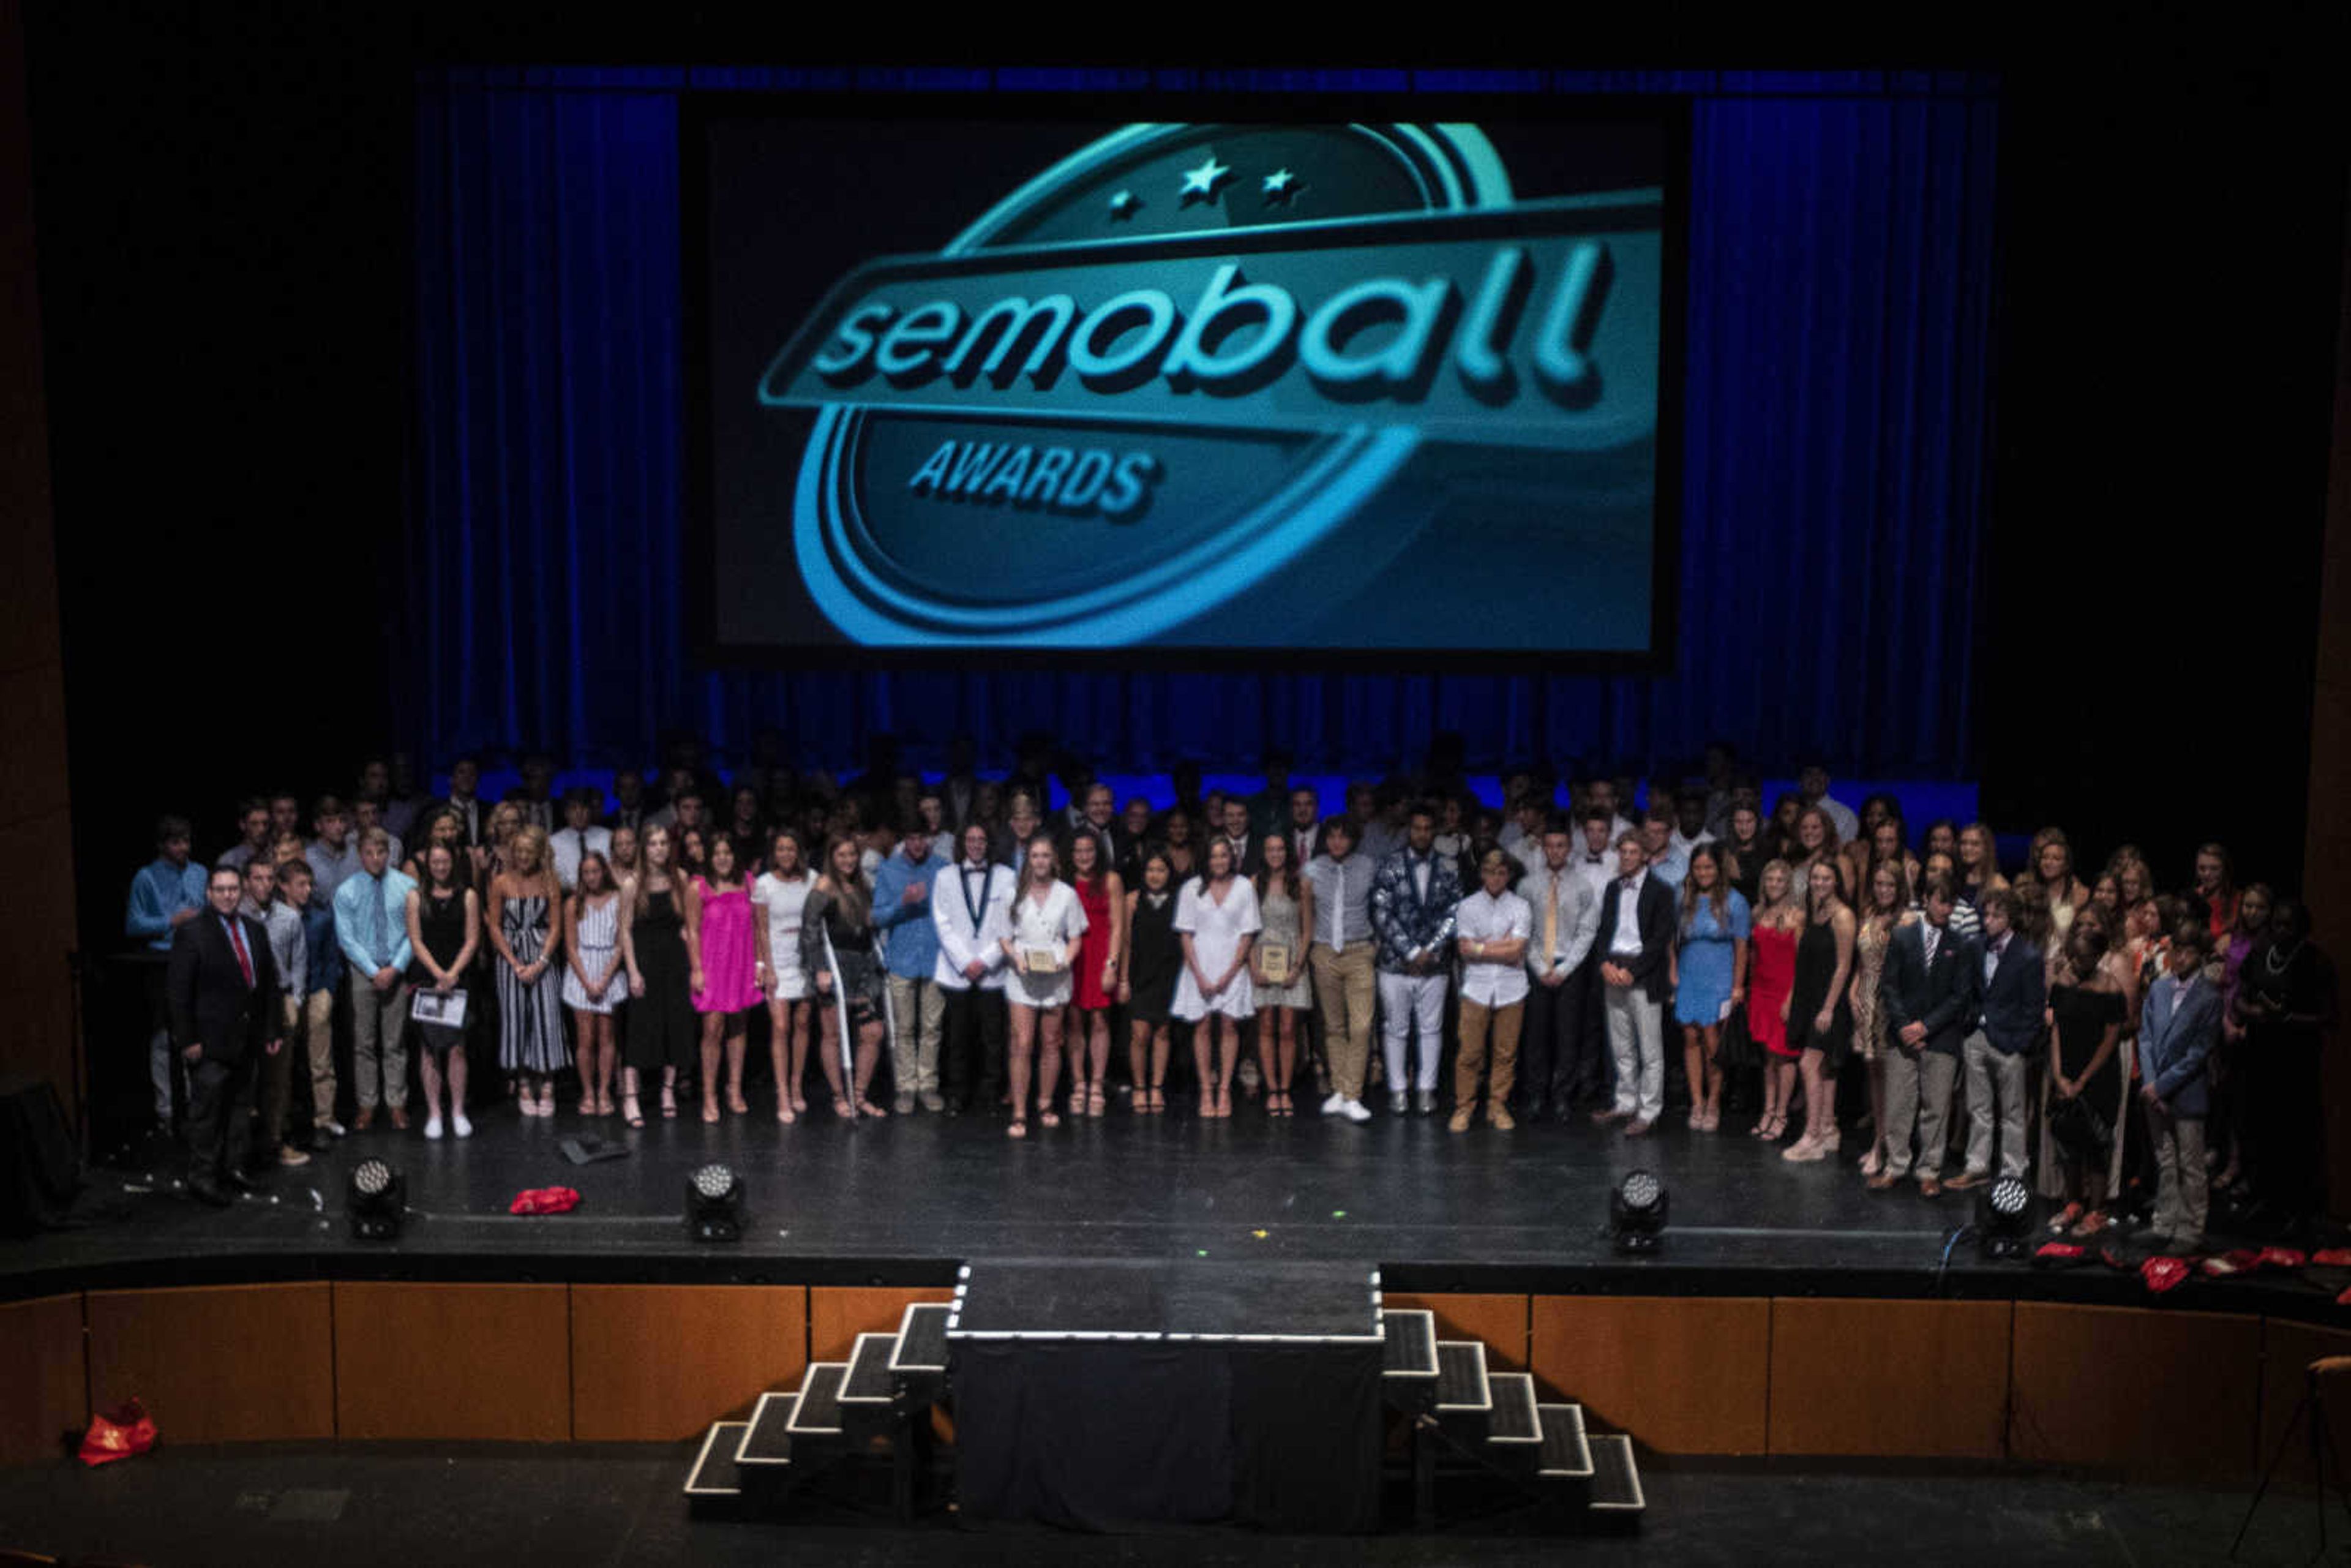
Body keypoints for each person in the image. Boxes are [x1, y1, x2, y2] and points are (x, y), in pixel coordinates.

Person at [168, 865, 285, 1204]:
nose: (228, 895)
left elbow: (268, 986)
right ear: (209, 893)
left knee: (239, 1109)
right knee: (207, 1113)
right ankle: (202, 1177)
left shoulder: (253, 929)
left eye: (233, 889)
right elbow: (178, 993)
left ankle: (234, 1168)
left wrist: (272, 1028)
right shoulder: (193, 933)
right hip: (208, 1041)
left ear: (242, 891)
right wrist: (187, 1039)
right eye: (220, 889)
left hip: (245, 1040)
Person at [2233, 901, 2337, 1232]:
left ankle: (2299, 1206)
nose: (2280, 932)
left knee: (2295, 1133)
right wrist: (2251, 1011)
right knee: (2260, 1127)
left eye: (2288, 926)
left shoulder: (2315, 962)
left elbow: (2329, 1016)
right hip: (2260, 1056)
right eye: (2276, 924)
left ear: (2301, 929)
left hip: (2296, 1061)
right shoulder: (2262, 952)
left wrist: (2288, 1018)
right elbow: (2240, 995)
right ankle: (2266, 1197)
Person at [1870, 876, 1971, 1193]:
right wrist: (1905, 1026)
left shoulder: (1959, 944)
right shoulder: (1902, 936)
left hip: (1940, 1036)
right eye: (1942, 901)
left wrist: (1926, 1026)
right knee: (1899, 1103)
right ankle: (1895, 1165)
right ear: (1926, 899)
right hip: (1902, 1035)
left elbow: (1960, 995)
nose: (1947, 908)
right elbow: (1889, 985)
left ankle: (1929, 1170)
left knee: (1936, 1106)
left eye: (1952, 903)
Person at [1948, 887, 2046, 1190]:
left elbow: (2033, 1008)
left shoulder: (2028, 956)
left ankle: (2012, 1169)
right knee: (1978, 1107)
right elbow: (1968, 991)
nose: (1988, 921)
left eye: (1996, 915)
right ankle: (1978, 1165)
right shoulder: (1976, 947)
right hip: (1977, 1036)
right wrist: (1971, 1023)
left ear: (2011, 918)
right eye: (1985, 914)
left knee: (2013, 1110)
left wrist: (2020, 1045)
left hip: (2009, 1042)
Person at [1370, 803, 1462, 1116]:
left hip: (1434, 964)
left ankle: (1426, 1090)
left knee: (1431, 1028)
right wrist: (1410, 951)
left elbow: (1455, 912)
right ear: (1409, 830)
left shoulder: (1449, 866)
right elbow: (1382, 911)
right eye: (1417, 828)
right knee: (1395, 1028)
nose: (1422, 834)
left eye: (1427, 828)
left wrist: (1431, 950)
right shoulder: (1390, 864)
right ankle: (1397, 1090)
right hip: (1395, 962)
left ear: (1434, 831)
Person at [2137, 923, 2221, 1255]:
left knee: (2191, 1164)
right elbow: (2145, 1038)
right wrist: (2149, 1083)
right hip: (2154, 1090)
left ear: (2199, 956)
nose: (2180, 957)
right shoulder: (2158, 989)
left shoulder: (2209, 997)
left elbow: (2199, 1052)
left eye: (2188, 952)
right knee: (2166, 1160)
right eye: (2176, 951)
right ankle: (2164, 1221)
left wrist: (2163, 1085)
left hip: (2185, 1092)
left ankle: (2190, 1229)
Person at [2043, 920, 2128, 1237]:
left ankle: (2096, 1210)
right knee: (2068, 1140)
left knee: (2097, 1144)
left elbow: (2110, 1040)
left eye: (2086, 959)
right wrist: (2060, 1075)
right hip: (2067, 1070)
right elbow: (2057, 1031)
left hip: (2099, 1076)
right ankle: (2072, 1203)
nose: (2079, 965)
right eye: (2075, 958)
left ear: (2098, 955)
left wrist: (2082, 1082)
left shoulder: (2110, 990)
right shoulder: (2063, 983)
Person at [127, 814, 211, 1130]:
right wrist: (170, 922)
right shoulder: (146, 877)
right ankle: (165, 1108)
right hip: (160, 962)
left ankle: (195, 1102)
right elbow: (133, 923)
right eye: (175, 842)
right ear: (162, 845)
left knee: (194, 1031)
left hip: (196, 959)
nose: (182, 848)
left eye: (186, 841)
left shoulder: (200, 872)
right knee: (163, 1036)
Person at [999, 835, 1087, 1134]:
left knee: (1051, 1041)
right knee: (1022, 1043)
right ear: (1028, 860)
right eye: (1035, 856)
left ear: (1054, 860)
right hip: (1022, 976)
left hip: (1056, 975)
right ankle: (1020, 1111)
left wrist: (1066, 961)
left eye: (1045, 855)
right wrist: (1015, 959)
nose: (1040, 861)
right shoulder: (1013, 894)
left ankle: (1045, 1103)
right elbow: (1003, 937)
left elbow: (1075, 936)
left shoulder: (1067, 895)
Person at [1592, 831, 1677, 1135]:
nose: (1626, 857)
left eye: (1632, 852)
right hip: (1614, 968)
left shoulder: (1661, 890)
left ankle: (1649, 1110)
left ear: (1644, 855)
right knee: (1621, 1045)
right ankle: (1626, 1102)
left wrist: (1635, 972)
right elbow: (1604, 931)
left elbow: (1660, 939)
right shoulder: (1613, 888)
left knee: (1650, 1049)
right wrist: (1603, 962)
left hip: (1643, 975)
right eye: (1623, 852)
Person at [802, 835, 891, 1122]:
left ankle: (860, 1094)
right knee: (832, 1034)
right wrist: (819, 969)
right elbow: (810, 932)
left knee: (873, 1032)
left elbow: (870, 924)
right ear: (832, 857)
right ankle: (840, 1097)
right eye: (842, 855)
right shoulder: (823, 888)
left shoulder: (863, 886)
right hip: (834, 964)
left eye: (852, 855)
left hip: (863, 964)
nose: (848, 861)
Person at [1518, 816, 1602, 1120]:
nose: (1555, 851)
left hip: (1571, 967)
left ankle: (1563, 1097)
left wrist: (1565, 969)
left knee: (1568, 1036)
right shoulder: (1527, 885)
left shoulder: (1582, 885)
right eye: (1550, 846)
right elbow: (1523, 931)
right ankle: (1536, 1095)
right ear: (1543, 848)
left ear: (1569, 848)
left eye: (1561, 846)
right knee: (1536, 1036)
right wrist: (1541, 968)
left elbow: (1587, 931)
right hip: (1538, 966)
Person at [334, 828, 415, 1131]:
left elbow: (413, 933)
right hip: (363, 971)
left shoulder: (408, 887)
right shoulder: (347, 890)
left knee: (395, 1042)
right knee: (364, 1043)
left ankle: (396, 1102)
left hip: (396, 969)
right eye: (369, 853)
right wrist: (373, 970)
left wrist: (395, 968)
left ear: (389, 853)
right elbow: (347, 939)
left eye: (381, 852)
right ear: (360, 854)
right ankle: (367, 1103)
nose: (376, 858)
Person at [1173, 836, 1261, 1119]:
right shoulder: (1192, 888)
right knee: (1201, 1028)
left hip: (1232, 967)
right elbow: (1185, 933)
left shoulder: (1245, 887)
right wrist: (1198, 974)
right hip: (1199, 966)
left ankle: (1224, 1089)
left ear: (1232, 858)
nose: (1219, 861)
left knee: (1229, 1027)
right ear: (1206, 859)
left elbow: (1248, 933)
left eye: (1224, 855)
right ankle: (1205, 1091)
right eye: (1214, 856)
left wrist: (1231, 972)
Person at [934, 821, 1013, 1117]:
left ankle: (991, 1095)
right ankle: (957, 1094)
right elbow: (942, 922)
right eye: (971, 839)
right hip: (958, 972)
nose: (976, 844)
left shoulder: (1007, 877)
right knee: (958, 1038)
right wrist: (967, 962)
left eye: (981, 839)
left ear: (989, 843)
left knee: (993, 1039)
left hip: (994, 971)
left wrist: (987, 960)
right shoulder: (945, 876)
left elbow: (1010, 923)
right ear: (963, 843)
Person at [489, 825, 569, 1118]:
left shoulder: (550, 881)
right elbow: (495, 926)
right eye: (519, 851)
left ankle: (547, 1083)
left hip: (542, 956)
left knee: (547, 1018)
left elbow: (557, 926)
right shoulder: (500, 882)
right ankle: (523, 1082)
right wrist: (514, 963)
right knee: (516, 1020)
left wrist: (541, 962)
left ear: (538, 853)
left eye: (528, 851)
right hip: (511, 959)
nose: (523, 856)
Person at [1449, 849, 1532, 1132]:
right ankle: (1464, 1107)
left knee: (1505, 1053)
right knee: (1470, 1052)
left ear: (1508, 875)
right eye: (1490, 872)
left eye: (1501, 873)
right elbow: (1465, 951)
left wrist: (1482, 946)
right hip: (1477, 987)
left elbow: (1517, 951)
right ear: (1482, 873)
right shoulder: (1468, 906)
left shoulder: (1521, 906)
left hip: (1512, 988)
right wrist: (1501, 946)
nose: (1495, 878)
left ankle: (1497, 1105)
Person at [403, 841, 481, 1139]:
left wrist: (452, 974)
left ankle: (457, 1111)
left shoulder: (469, 896)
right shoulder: (415, 897)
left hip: (458, 978)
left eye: (445, 862)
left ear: (454, 862)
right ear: (428, 865)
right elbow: (416, 940)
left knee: (457, 1048)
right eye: (435, 862)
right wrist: (438, 974)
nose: (440, 867)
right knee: (428, 1050)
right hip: (428, 979)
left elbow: (472, 939)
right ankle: (435, 1112)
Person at [1781, 859, 1856, 1162]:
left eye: (1826, 878)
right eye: (1815, 878)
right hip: (1810, 998)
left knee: (1808, 1065)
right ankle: (1827, 1130)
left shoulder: (1843, 916)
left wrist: (1828, 1008)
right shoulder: (1815, 912)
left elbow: (1844, 966)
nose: (1820, 883)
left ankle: (1811, 1136)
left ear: (1836, 881)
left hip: (1830, 1003)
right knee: (1823, 1069)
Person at [620, 823, 695, 1125]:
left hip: (675, 962)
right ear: (644, 848)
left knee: (675, 1027)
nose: (660, 849)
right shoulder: (631, 884)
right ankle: (630, 1097)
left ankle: (667, 1090)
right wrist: (633, 972)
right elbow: (624, 931)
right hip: (645, 962)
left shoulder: (680, 879)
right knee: (640, 1029)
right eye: (653, 844)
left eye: (664, 843)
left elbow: (689, 924)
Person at [1304, 815, 1378, 1124]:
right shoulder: (1312, 869)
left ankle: (1352, 1093)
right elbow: (1306, 914)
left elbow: (1379, 907)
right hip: (1325, 951)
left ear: (1353, 839)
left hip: (1359, 950)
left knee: (1361, 1025)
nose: (1337, 842)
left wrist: (1377, 946)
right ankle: (1339, 1091)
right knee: (1333, 1026)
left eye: (1343, 836)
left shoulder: (1368, 866)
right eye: (1332, 836)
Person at [1670, 845, 1749, 1134]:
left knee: (1714, 1044)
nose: (1704, 873)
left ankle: (1714, 1102)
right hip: (1690, 973)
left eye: (1709, 867)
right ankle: (1697, 1102)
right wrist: (1673, 970)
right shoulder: (1683, 896)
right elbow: (1671, 938)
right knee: (1690, 1038)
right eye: (1698, 868)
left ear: (1719, 869)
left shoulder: (1735, 901)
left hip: (1719, 975)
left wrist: (1738, 986)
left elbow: (1742, 947)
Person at [237, 858, 309, 1170]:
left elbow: (299, 962)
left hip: (279, 999)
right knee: (245, 1078)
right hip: (245, 1004)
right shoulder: (236, 916)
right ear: (246, 882)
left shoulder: (289, 917)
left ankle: (275, 1141)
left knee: (278, 1079)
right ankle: (242, 1149)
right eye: (257, 878)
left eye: (269, 878)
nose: (264, 884)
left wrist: (296, 1000)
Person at [872, 819, 948, 1116]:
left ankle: (928, 1084)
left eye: (922, 838)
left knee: (932, 1027)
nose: (917, 845)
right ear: (904, 839)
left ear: (929, 838)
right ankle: (906, 1087)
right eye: (912, 838)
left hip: (934, 958)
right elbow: (877, 917)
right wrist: (902, 903)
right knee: (904, 1028)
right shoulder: (890, 869)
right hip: (902, 959)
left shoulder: (942, 868)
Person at [686, 834, 762, 1122]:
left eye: (727, 852)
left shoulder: (748, 882)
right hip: (713, 964)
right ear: (708, 856)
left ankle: (735, 1088)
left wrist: (759, 963)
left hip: (741, 962)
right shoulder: (698, 886)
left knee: (740, 1026)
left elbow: (758, 926)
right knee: (713, 1029)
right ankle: (709, 1095)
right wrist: (696, 968)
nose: (722, 858)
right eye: (716, 852)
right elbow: (692, 929)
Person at [751, 830, 816, 1122]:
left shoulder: (811, 879)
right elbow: (760, 929)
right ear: (773, 853)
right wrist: (767, 968)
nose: (786, 854)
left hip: (804, 959)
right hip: (778, 960)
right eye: (781, 849)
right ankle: (782, 1094)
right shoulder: (764, 884)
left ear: (798, 852)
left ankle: (796, 1085)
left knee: (802, 1023)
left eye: (791, 849)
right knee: (781, 1027)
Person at [1850, 861, 1908, 1177]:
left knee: (1893, 1079)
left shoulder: (1906, 921)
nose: (1884, 890)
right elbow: (1862, 963)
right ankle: (1878, 1139)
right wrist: (1853, 993)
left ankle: (1889, 1146)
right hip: (1867, 1000)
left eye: (1890, 885)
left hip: (1892, 1003)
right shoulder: (1869, 914)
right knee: (1874, 1076)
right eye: (1879, 884)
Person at [1250, 830, 1313, 1119]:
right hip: (1262, 962)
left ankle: (1286, 1090)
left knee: (1288, 1028)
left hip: (1292, 962)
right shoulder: (1253, 884)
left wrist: (1298, 967)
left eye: (1280, 849)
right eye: (1270, 849)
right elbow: (1247, 930)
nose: (1275, 854)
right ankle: (1272, 1089)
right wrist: (1253, 967)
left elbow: (1307, 930)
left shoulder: (1301, 884)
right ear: (1263, 853)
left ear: (1288, 852)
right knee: (1265, 1026)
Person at [1062, 829, 1125, 1119]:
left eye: (1089, 851)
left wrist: (1112, 965)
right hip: (1073, 958)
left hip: (1100, 957)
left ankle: (1098, 1085)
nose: (1084, 856)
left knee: (1100, 1021)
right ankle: (1079, 1084)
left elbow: (1118, 927)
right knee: (1074, 1022)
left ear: (1097, 852)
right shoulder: (1064, 883)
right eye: (1078, 851)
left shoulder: (1111, 880)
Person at [561, 850, 625, 1116]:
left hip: (608, 969)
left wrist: (606, 977)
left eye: (596, 871)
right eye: (586, 873)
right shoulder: (573, 904)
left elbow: (622, 943)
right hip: (582, 972)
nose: (592, 877)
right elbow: (571, 947)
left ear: (604, 872)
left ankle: (604, 1092)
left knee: (607, 1037)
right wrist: (587, 982)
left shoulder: (618, 900)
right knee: (585, 1039)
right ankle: (588, 1092)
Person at [1120, 848, 1183, 1115]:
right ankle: (1139, 1086)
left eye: (1161, 870)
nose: (1155, 876)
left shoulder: (1180, 900)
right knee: (1140, 1034)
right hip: (1140, 974)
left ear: (1169, 873)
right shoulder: (1132, 900)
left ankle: (1157, 1086)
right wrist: (1123, 979)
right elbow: (1125, 944)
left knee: (1163, 1032)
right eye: (1150, 870)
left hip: (1169, 973)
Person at [1747, 860, 1802, 1141]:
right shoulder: (1758, 913)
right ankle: (1767, 1111)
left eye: (1781, 880)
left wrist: (1792, 998)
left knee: (1785, 1056)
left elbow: (1802, 962)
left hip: (1785, 992)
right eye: (1770, 879)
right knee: (1768, 1057)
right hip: (1761, 991)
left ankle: (1782, 1114)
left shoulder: (1796, 916)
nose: (1775, 884)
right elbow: (1754, 955)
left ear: (1788, 884)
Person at [550, 787, 613, 893]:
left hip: (603, 894)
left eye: (584, 808)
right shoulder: (553, 842)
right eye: (574, 809)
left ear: (591, 811)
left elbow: (611, 870)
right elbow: (556, 876)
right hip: (568, 897)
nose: (579, 813)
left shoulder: (607, 836)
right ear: (566, 813)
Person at [303, 797, 359, 905]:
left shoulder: (356, 853)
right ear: (318, 826)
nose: (338, 827)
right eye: (330, 821)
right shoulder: (308, 858)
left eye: (342, 820)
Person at [1796, 762, 1859, 844]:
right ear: (1800, 782)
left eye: (1820, 773)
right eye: (1809, 773)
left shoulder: (1845, 815)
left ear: (1828, 780)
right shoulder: (1791, 812)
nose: (1815, 778)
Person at [216, 798, 272, 874]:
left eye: (265, 823)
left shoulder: (278, 854)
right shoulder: (230, 860)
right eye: (254, 824)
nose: (262, 829)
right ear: (243, 825)